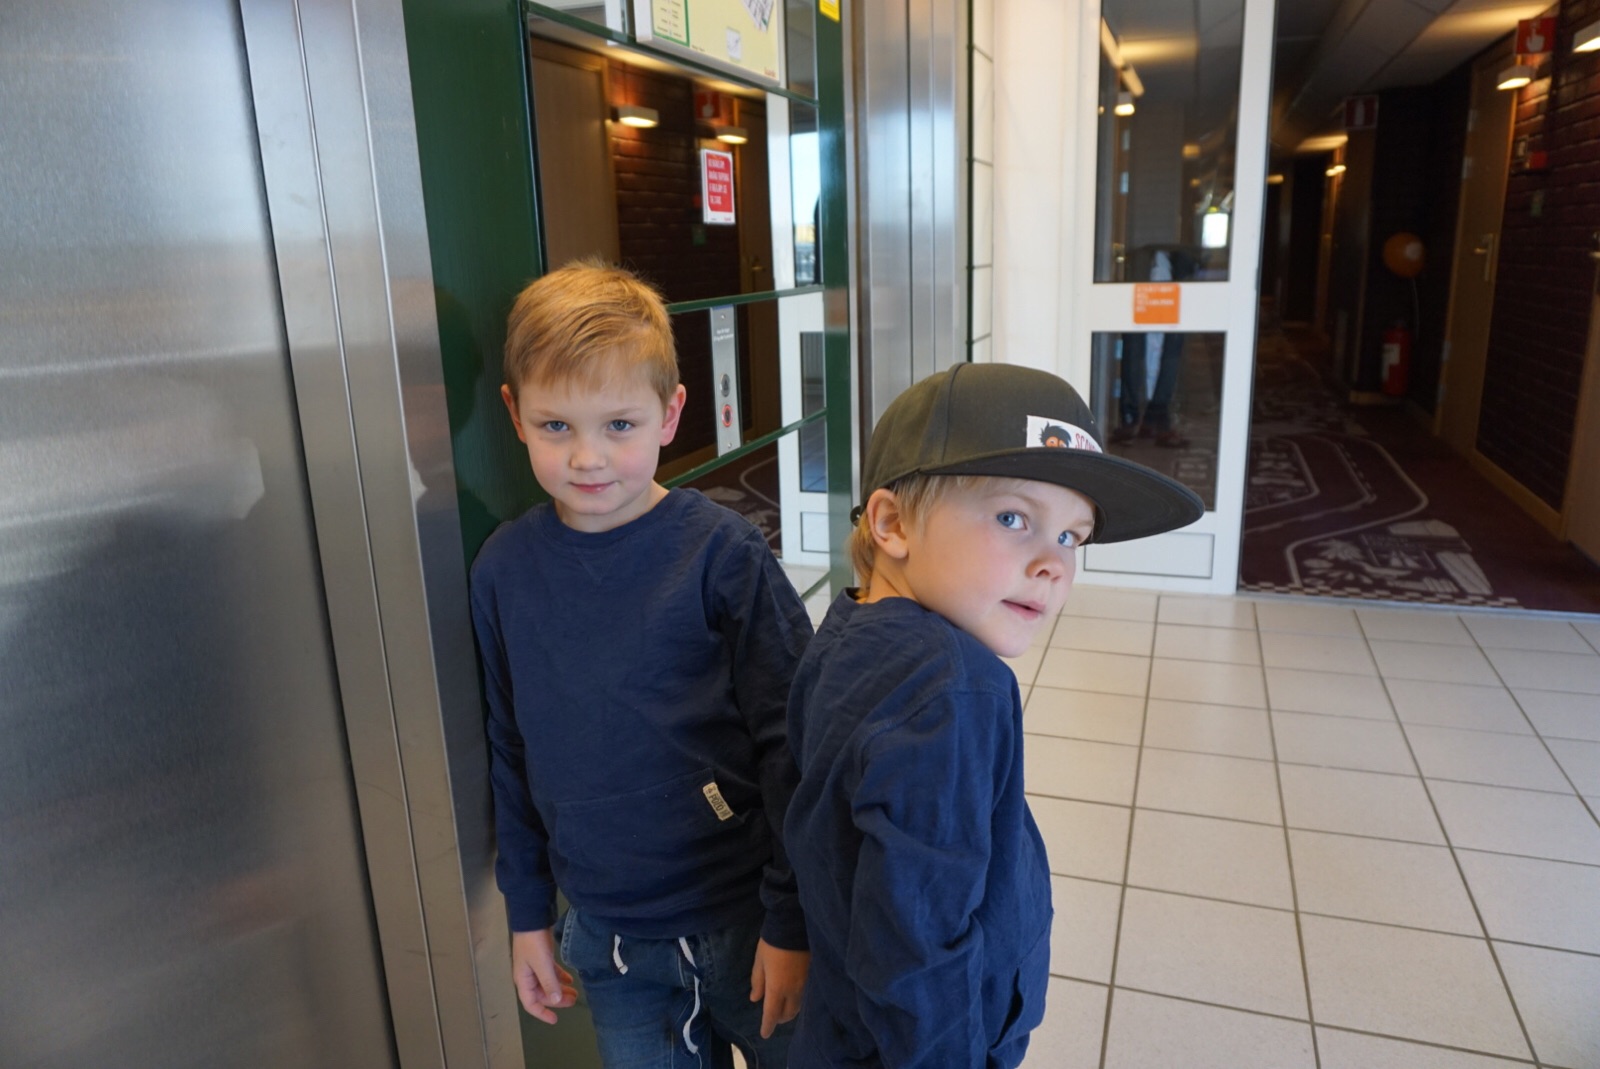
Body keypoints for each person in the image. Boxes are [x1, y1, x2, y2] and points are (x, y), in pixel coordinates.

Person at [784, 363, 1202, 1068]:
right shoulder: (955, 691)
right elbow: (919, 945)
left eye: (1072, 537)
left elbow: (801, 805)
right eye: (1014, 519)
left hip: (841, 1022)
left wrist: (785, 926)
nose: (1052, 565)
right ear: (891, 523)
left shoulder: (843, 632)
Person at [470, 260, 814, 1068]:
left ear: (671, 413)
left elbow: (795, 743)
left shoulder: (724, 554)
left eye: (619, 425)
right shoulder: (502, 571)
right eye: (557, 426)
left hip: (748, 918)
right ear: (515, 414)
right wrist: (527, 914)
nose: (588, 457)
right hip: (611, 941)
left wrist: (793, 919)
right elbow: (508, 748)